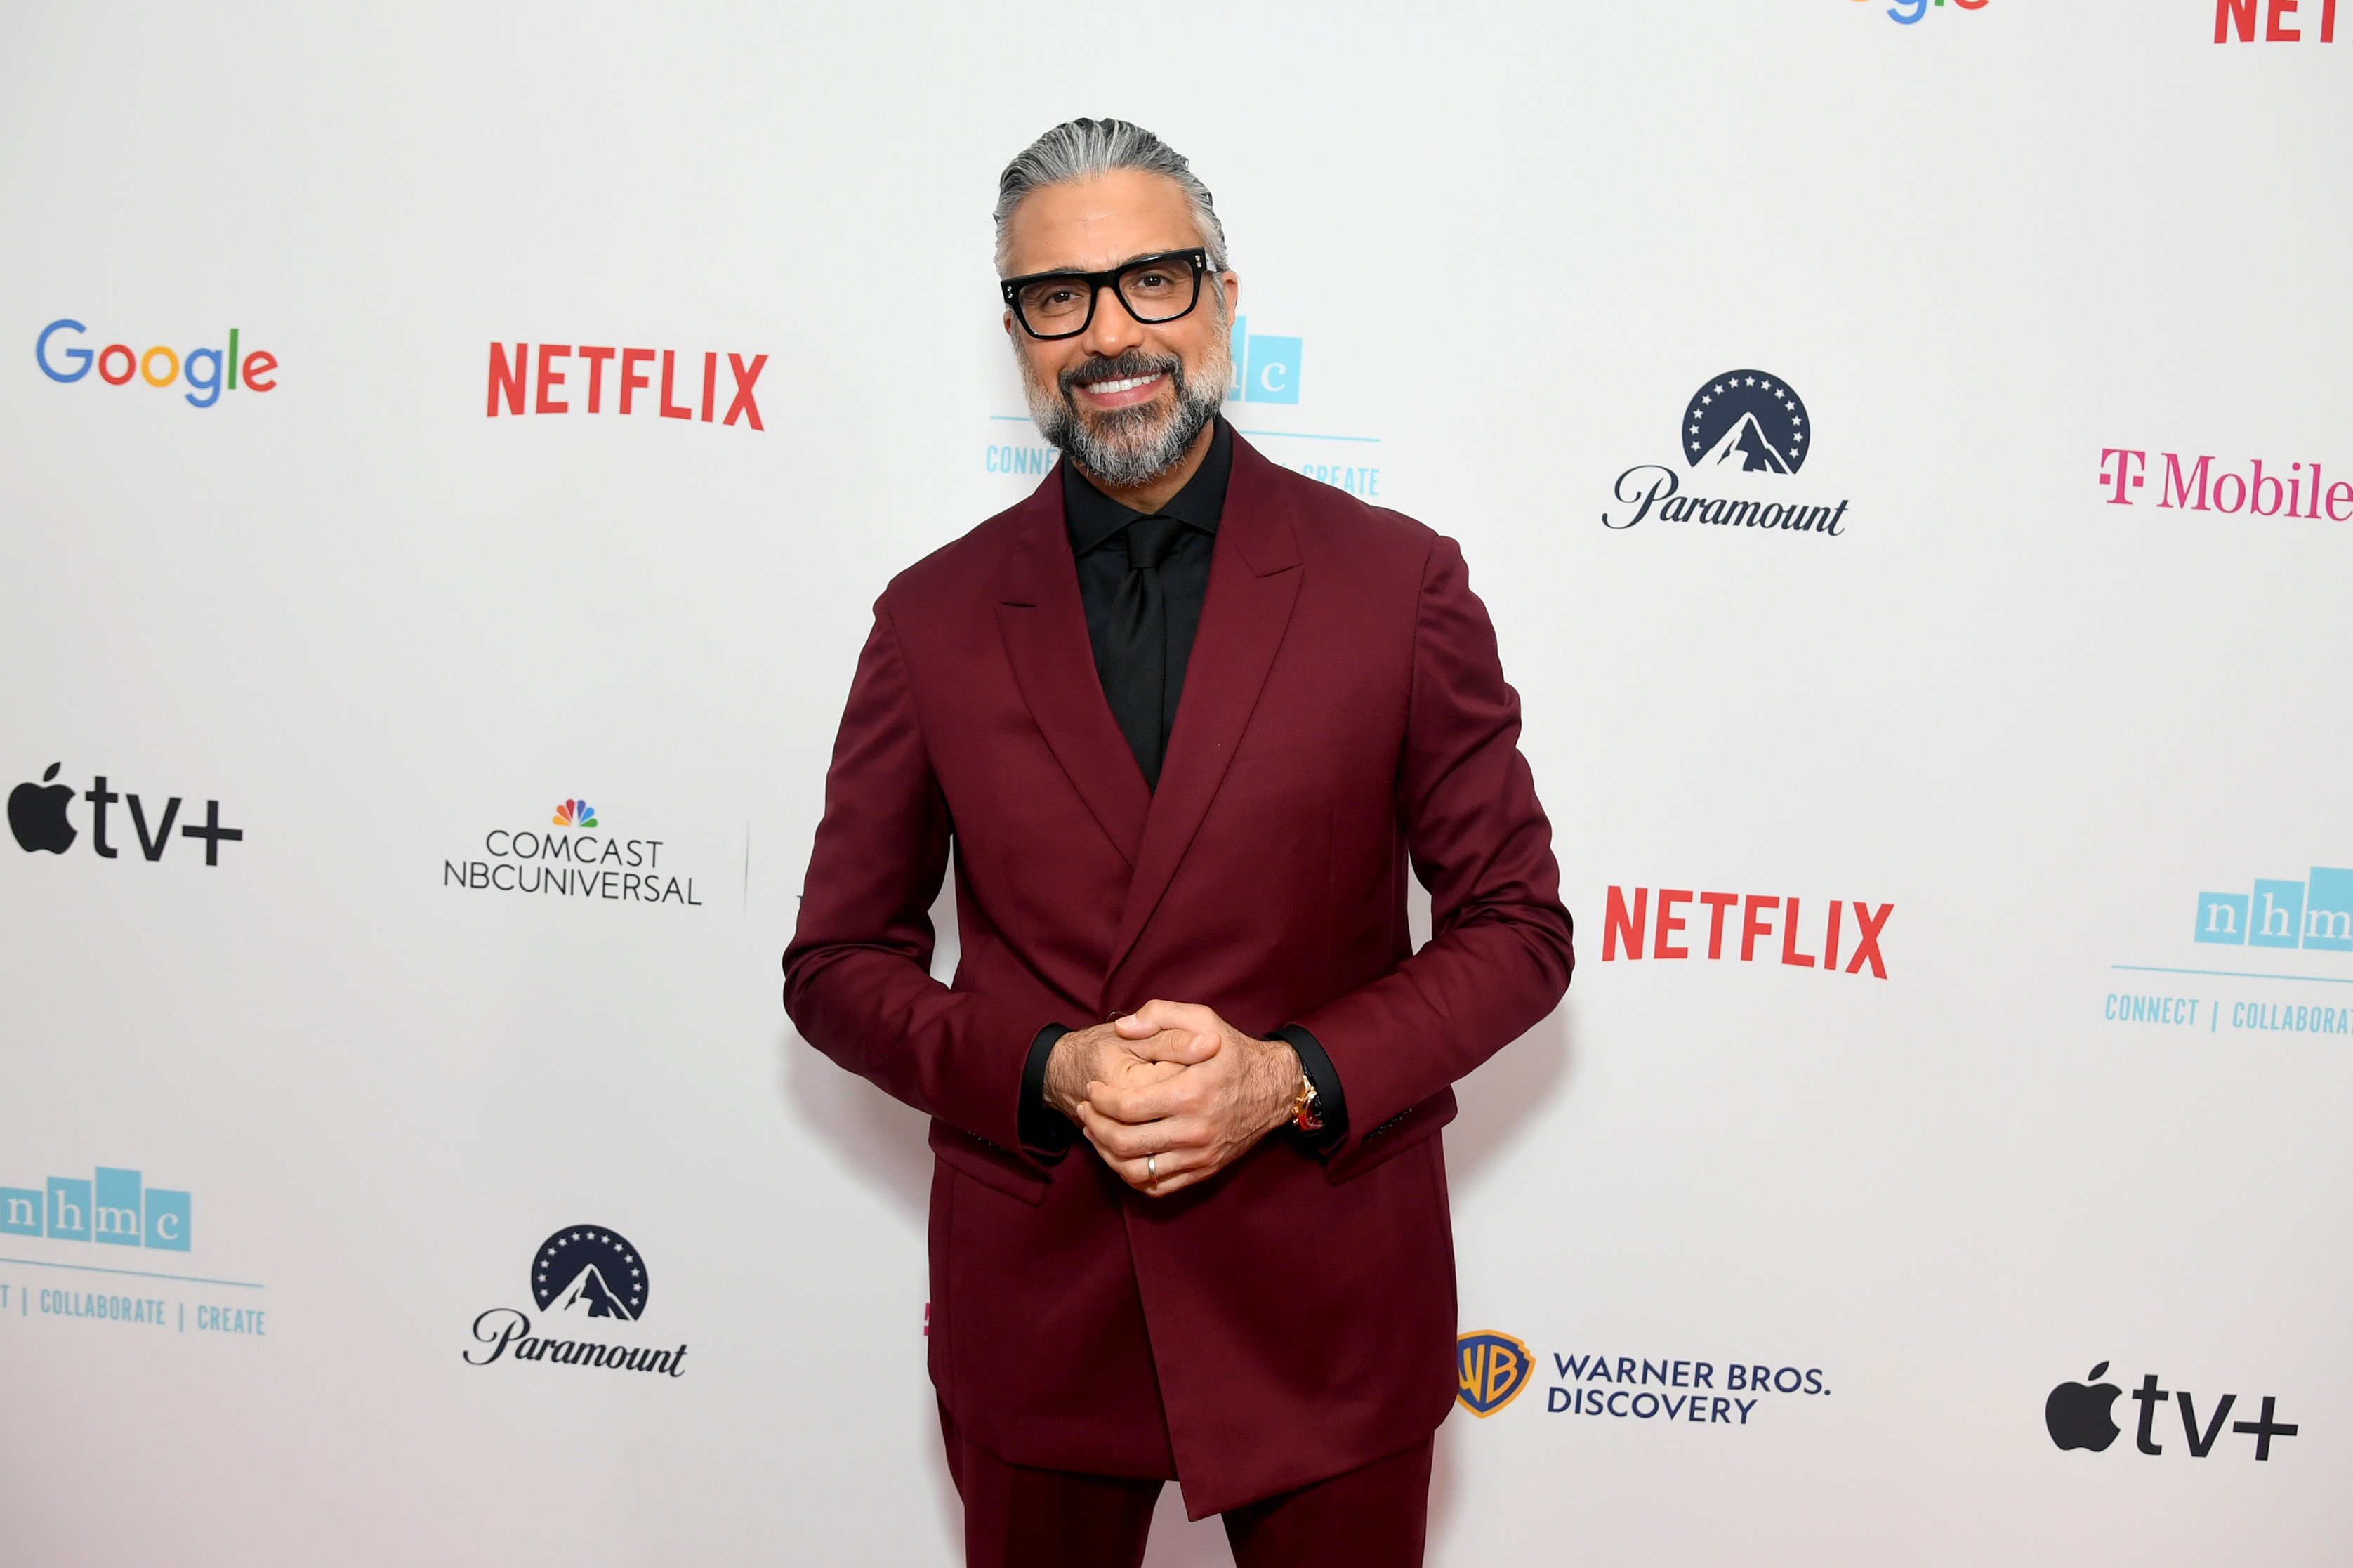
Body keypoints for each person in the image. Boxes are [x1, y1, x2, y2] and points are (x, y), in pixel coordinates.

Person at [784, 118, 1571, 1568]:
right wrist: (1043, 1070)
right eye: (1057, 296)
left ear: (1220, 293)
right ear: (1015, 332)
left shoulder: (1396, 585)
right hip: (1041, 1299)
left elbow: (1517, 929)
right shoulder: (931, 619)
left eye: (1150, 279)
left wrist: (1286, 1079)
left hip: (1321, 1289)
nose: (1108, 333)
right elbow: (836, 962)